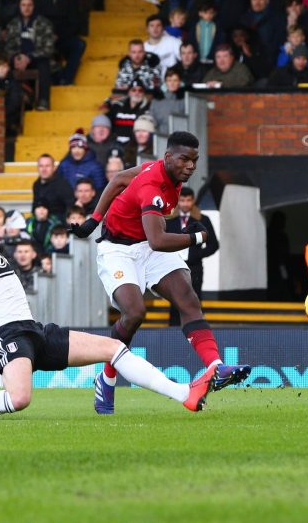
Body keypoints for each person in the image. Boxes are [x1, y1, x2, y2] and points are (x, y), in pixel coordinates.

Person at [0, 138, 218, 421]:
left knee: (113, 349)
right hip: (6, 331)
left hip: (33, 329)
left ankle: (185, 394)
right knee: (20, 399)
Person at [68, 131, 251, 415]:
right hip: (119, 251)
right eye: (185, 160)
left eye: (194, 160)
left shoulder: (159, 168)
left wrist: (93, 219)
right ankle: (106, 378)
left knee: (187, 299)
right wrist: (196, 238)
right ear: (168, 158)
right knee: (134, 313)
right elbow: (159, 240)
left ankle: (216, 367)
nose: (190, 166)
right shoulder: (153, 186)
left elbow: (117, 180)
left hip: (147, 246)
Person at [166, 187, 219, 325]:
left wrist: (195, 255)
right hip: (174, 267)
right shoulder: (170, 221)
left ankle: (197, 330)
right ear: (178, 201)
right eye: (182, 200)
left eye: (188, 200)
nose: (185, 204)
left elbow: (213, 244)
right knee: (175, 301)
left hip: (194, 268)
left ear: (193, 201)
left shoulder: (202, 220)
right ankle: (173, 333)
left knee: (195, 299)